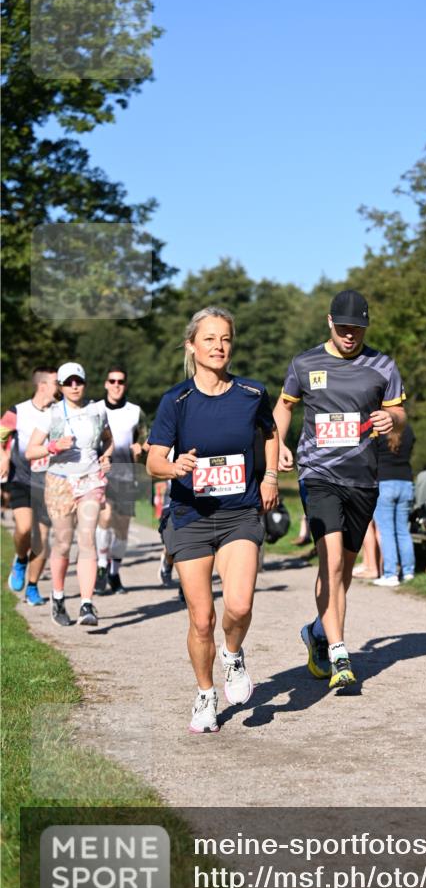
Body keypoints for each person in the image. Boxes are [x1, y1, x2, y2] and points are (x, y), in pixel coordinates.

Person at [146, 307, 280, 734]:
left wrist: (271, 475)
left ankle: (234, 654)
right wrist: (174, 467)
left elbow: (272, 433)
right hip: (190, 516)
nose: (219, 346)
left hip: (239, 512)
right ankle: (205, 694)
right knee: (201, 618)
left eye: (225, 338)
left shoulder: (251, 393)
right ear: (191, 346)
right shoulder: (176, 401)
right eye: (209, 339)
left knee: (238, 605)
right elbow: (152, 460)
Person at [273, 289, 406, 690]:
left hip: (363, 479)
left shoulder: (382, 365)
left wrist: (391, 421)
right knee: (329, 563)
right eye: (344, 328)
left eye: (358, 329)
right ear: (330, 322)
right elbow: (284, 405)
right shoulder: (305, 362)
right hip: (318, 475)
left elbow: (399, 413)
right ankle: (340, 654)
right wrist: (278, 442)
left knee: (343, 572)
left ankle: (316, 631)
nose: (351, 335)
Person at [25, 363, 113, 626]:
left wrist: (106, 456)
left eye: (79, 381)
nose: (74, 386)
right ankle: (58, 596)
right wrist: (53, 446)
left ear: (85, 383)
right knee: (63, 543)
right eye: (68, 382)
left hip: (90, 480)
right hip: (60, 482)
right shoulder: (50, 414)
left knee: (87, 539)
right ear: (61, 387)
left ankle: (87, 604)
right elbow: (31, 451)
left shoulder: (98, 410)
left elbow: (108, 440)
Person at [0, 367, 58, 605]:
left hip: (50, 484)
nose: (63, 386)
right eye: (57, 382)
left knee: (42, 540)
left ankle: (32, 587)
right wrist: (3, 456)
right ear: (43, 385)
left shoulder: (60, 412)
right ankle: (20, 560)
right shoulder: (18, 411)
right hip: (21, 479)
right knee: (24, 529)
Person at [94, 366, 148, 595]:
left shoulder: (135, 412)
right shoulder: (94, 409)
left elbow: (148, 440)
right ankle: (101, 566)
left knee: (122, 529)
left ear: (125, 385)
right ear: (106, 383)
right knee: (105, 518)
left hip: (127, 474)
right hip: (101, 474)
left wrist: (141, 448)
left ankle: (114, 573)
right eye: (112, 381)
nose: (116, 385)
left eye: (121, 382)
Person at [373, 421, 416, 586]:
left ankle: (390, 574)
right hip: (405, 482)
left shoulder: (378, 429)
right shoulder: (408, 429)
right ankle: (408, 572)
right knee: (403, 531)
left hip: (384, 482)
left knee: (387, 532)